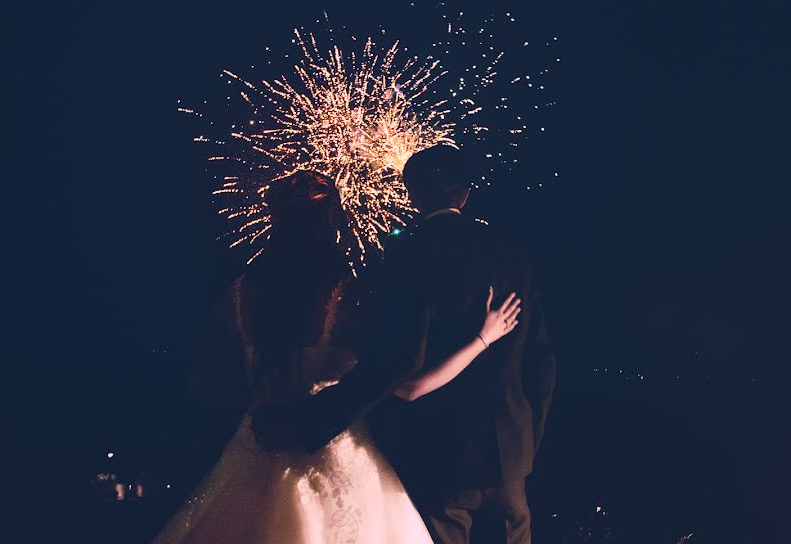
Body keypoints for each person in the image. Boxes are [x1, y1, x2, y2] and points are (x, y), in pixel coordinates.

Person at [154, 170, 521, 544]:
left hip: (254, 447)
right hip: (335, 453)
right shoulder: (350, 297)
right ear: (332, 221)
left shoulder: (238, 295)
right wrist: (482, 337)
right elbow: (403, 381)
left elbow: (208, 387)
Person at [256, 146, 556, 544]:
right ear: (464, 195)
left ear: (412, 195)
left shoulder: (406, 257)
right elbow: (542, 361)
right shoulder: (514, 257)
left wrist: (310, 421)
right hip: (511, 454)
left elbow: (395, 365)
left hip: (439, 451)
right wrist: (528, 440)